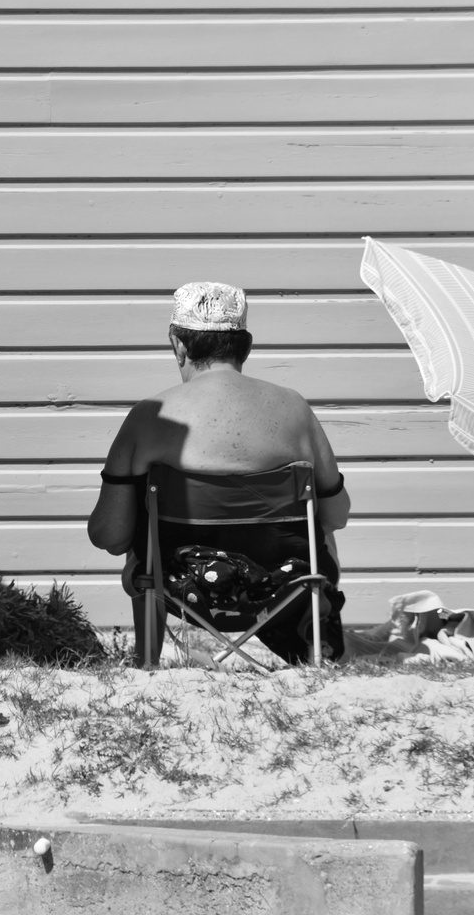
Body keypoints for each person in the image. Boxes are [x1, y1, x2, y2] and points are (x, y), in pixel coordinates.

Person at [87, 281, 351, 664]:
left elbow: (109, 536)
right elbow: (338, 516)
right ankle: (313, 647)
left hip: (184, 588)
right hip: (283, 586)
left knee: (140, 528)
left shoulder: (149, 417)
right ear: (247, 344)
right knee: (318, 523)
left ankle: (149, 660)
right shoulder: (294, 408)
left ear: (178, 345)